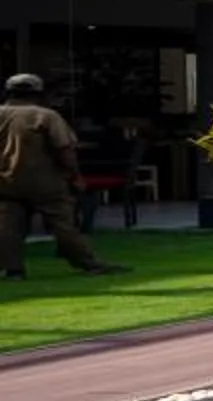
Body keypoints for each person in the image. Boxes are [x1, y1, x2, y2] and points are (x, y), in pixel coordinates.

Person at [1, 73, 129, 278]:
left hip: (6, 181)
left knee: (8, 226)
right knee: (64, 224)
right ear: (38, 93)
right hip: (45, 181)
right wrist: (75, 175)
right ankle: (89, 263)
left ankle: (13, 269)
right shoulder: (45, 116)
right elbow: (64, 149)